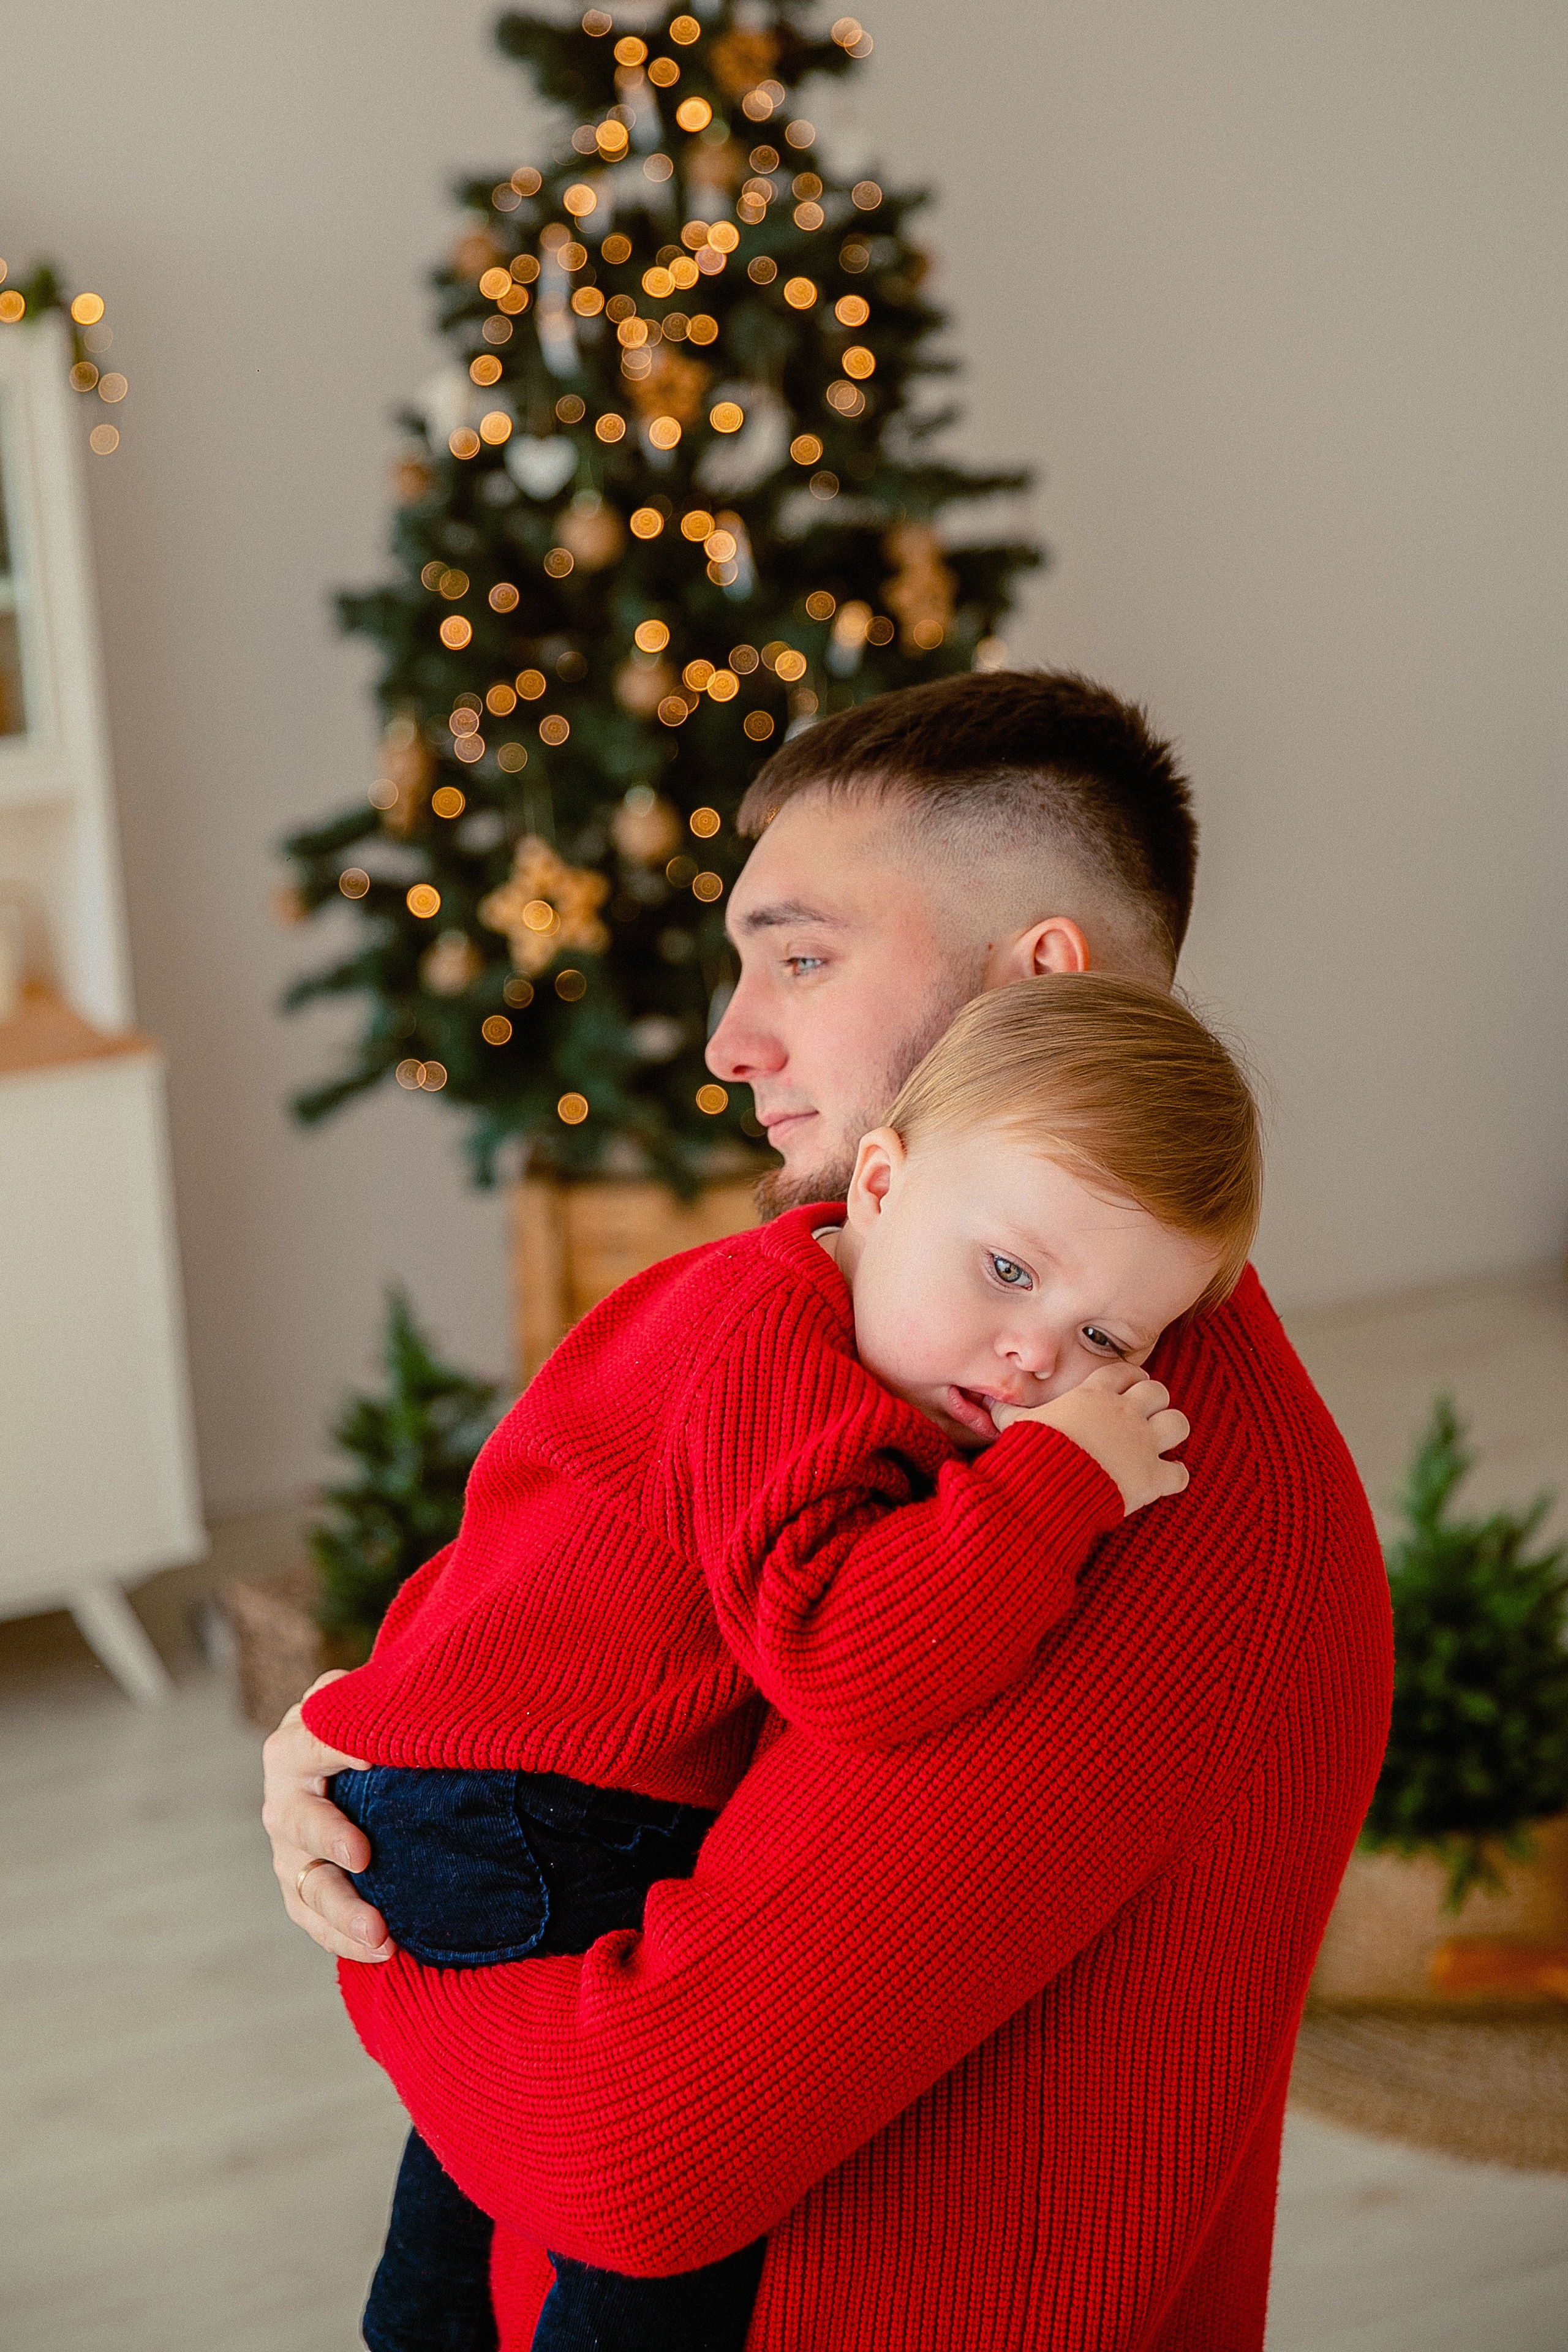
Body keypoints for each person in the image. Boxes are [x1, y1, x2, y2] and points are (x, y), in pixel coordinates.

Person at [265, 672, 1392, 2352]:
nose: (731, 1041)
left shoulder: (1122, 1472)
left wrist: (388, 1931)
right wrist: (359, 1736)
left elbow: (639, 2159)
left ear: (1038, 981)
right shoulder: (876, 1349)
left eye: (799, 959)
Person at [305, 973, 1258, 2352]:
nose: (1032, 1354)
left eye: (1104, 1340)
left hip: (470, 1784)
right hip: (524, 1813)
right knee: (666, 2247)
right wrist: (1056, 1485)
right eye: (1006, 1271)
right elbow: (844, 1667)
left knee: (465, 2197)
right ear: (879, 1181)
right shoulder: (773, 1357)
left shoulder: (788, 1308)